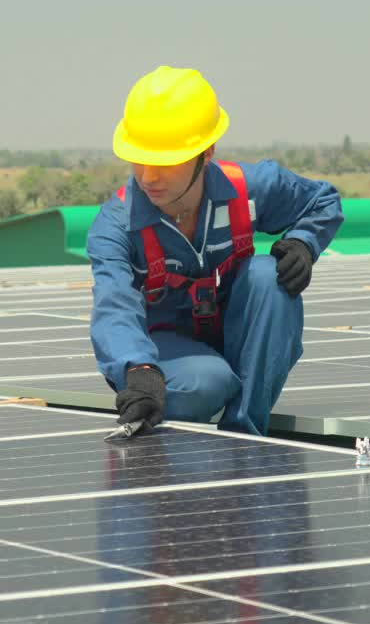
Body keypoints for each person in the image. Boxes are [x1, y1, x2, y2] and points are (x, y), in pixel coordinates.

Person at [87, 65, 343, 436]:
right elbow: (114, 305)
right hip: (165, 355)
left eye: (165, 162)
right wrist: (139, 369)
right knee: (208, 384)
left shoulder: (249, 189)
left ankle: (246, 434)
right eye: (139, 158)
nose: (148, 177)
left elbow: (322, 201)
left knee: (269, 277)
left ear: (206, 153)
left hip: (233, 332)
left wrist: (304, 242)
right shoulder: (115, 225)